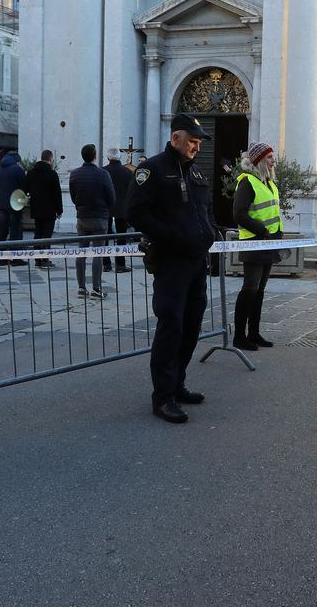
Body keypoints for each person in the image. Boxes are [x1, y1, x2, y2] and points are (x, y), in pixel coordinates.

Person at [126, 113, 217, 424]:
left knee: (192, 325)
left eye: (199, 142)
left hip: (197, 262)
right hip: (170, 263)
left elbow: (205, 209)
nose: (196, 147)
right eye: (192, 141)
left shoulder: (197, 172)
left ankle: (177, 384)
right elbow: (136, 212)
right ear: (176, 138)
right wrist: (173, 237)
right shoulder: (152, 170)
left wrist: (210, 233)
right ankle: (163, 397)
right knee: (171, 326)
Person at [232, 142, 283, 351]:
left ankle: (254, 333)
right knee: (249, 289)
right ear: (260, 160)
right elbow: (239, 214)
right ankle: (239, 336)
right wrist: (261, 230)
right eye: (269, 157)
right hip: (254, 242)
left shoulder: (269, 183)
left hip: (269, 243)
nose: (273, 161)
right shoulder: (247, 182)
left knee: (259, 290)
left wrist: (276, 234)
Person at [68, 143, 116, 297]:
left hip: (82, 216)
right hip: (99, 217)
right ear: (95, 156)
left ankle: (81, 287)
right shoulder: (103, 174)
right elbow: (111, 197)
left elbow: (73, 196)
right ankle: (96, 288)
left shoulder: (74, 174)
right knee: (97, 252)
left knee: (81, 252)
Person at [23, 149, 64, 269]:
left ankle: (37, 260)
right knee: (47, 235)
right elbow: (57, 193)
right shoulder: (52, 174)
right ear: (50, 159)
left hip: (36, 208)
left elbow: (25, 189)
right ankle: (45, 259)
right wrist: (59, 210)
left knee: (37, 234)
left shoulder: (31, 172)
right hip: (49, 209)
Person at [106, 151, 134, 272]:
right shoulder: (127, 172)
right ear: (120, 157)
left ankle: (106, 263)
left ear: (108, 158)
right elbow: (132, 191)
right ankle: (120, 264)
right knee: (121, 237)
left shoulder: (103, 171)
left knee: (105, 236)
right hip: (122, 208)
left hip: (106, 207)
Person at [0, 151, 26, 243]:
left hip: (2, 204)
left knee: (2, 229)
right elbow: (24, 186)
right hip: (16, 203)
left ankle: (2, 249)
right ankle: (15, 249)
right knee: (16, 229)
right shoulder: (18, 169)